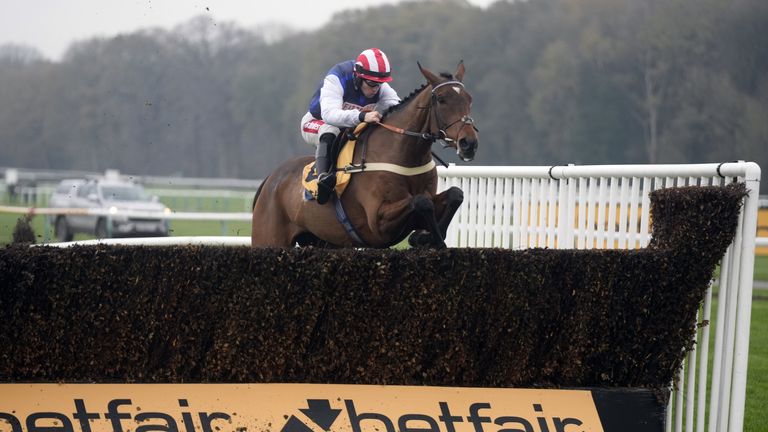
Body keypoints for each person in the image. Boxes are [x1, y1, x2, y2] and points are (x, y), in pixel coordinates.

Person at [300, 48, 401, 204]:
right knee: (331, 129)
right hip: (316, 123)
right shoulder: (337, 77)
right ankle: (322, 179)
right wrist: (361, 116)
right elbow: (329, 115)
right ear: (358, 77)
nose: (375, 89)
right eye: (372, 83)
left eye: (380, 84)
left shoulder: (377, 83)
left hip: (347, 129)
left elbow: (398, 107)